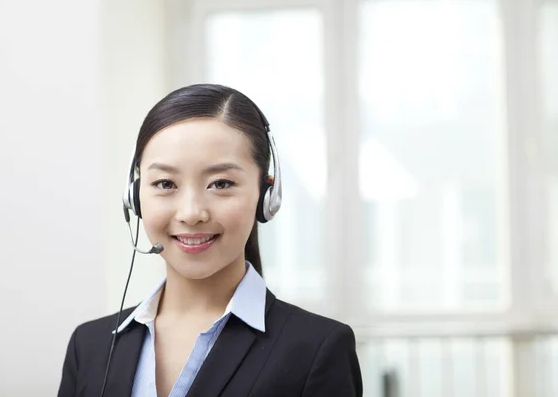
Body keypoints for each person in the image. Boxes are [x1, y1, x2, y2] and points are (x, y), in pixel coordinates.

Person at [57, 84, 363, 397]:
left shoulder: (316, 350)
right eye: (165, 183)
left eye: (221, 183)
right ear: (134, 196)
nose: (191, 213)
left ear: (266, 195)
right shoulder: (90, 346)